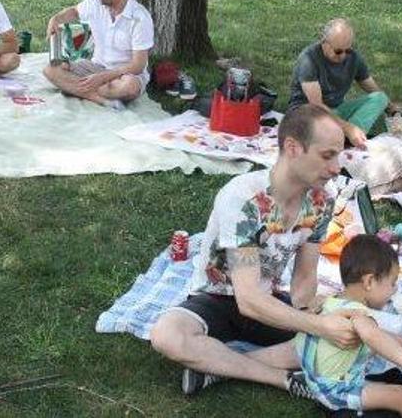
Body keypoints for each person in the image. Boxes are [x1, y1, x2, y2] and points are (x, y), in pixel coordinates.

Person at [150, 105, 361, 398]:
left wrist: (307, 315)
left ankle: (217, 367)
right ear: (292, 148)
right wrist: (319, 327)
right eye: (327, 155)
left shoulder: (321, 201)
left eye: (338, 156)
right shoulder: (246, 199)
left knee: (352, 338)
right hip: (219, 298)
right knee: (167, 335)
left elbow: (304, 277)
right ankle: (282, 378)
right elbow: (247, 300)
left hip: (271, 301)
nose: (337, 167)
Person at [273, 235, 402, 417]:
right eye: (392, 283)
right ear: (369, 282)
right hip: (335, 391)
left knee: (389, 377)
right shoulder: (359, 315)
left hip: (315, 379)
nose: (394, 290)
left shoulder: (330, 301)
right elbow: (373, 337)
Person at [43, 0, 154, 110]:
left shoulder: (140, 18)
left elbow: (138, 66)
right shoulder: (95, 1)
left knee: (129, 87)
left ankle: (78, 89)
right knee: (51, 70)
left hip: (124, 74)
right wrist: (55, 19)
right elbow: (75, 12)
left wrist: (103, 77)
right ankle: (97, 98)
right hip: (95, 66)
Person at [287, 18, 399, 148]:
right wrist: (348, 128)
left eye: (348, 50)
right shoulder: (309, 59)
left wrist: (391, 109)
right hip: (307, 114)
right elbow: (316, 106)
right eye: (338, 51)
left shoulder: (353, 58)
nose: (344, 55)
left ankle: (348, 136)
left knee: (380, 97)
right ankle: (348, 135)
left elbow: (371, 86)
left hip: (336, 112)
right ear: (324, 43)